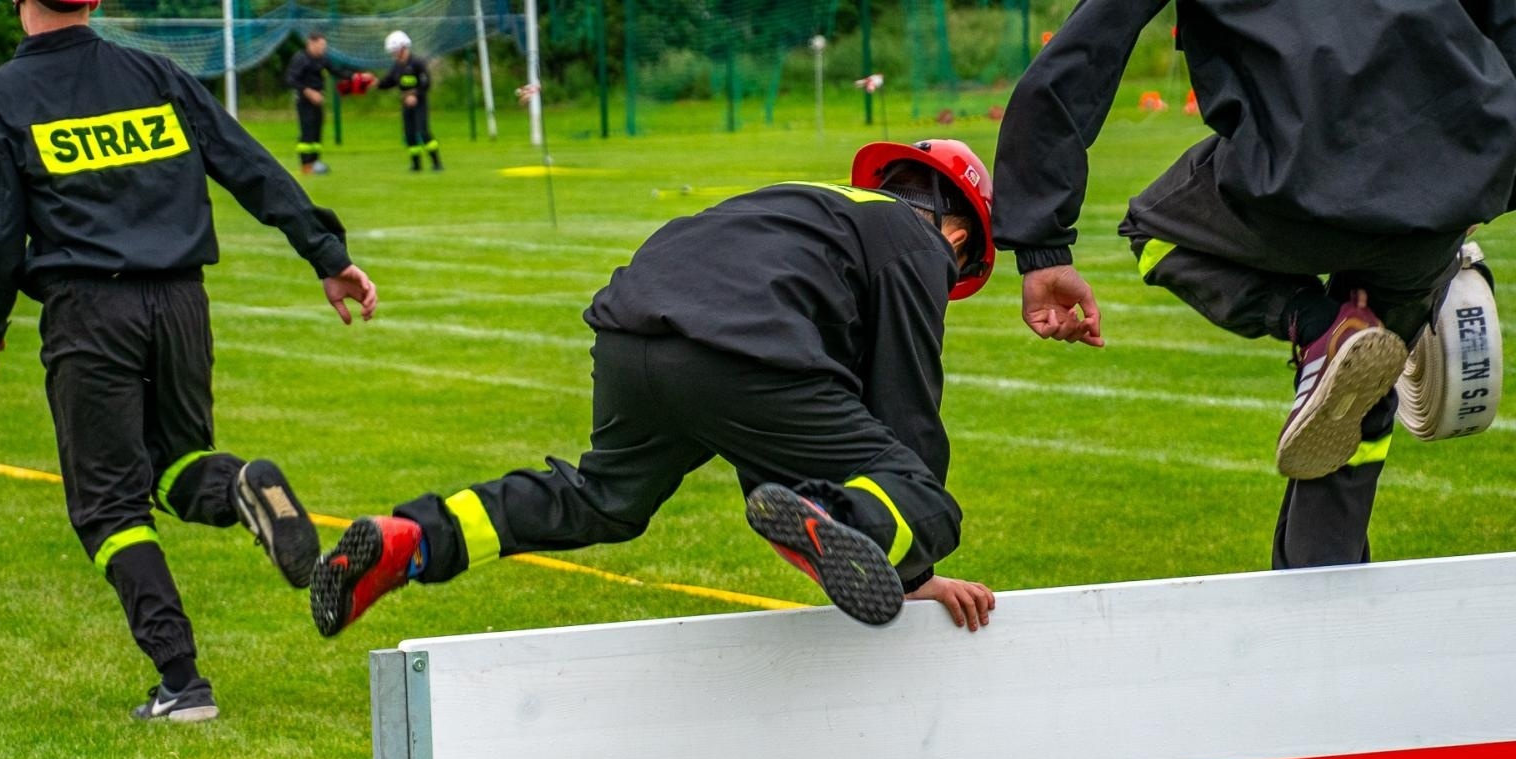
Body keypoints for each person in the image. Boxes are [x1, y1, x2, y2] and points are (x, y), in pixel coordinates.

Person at [310, 140, 999, 636]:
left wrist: (798, 494)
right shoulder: (919, 243)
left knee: (602, 500)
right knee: (921, 486)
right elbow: (906, 405)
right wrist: (911, 570)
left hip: (630, 333)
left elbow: (784, 424)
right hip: (740, 345)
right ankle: (846, 521)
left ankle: (415, 536)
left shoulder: (810, 204)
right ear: (958, 234)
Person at [0, 0, 379, 722]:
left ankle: (182, 681)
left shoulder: (0, 98)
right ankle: (241, 483)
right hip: (182, 302)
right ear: (95, 2)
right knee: (178, 466)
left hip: (91, 310)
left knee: (109, 506)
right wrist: (326, 254)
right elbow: (247, 163)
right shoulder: (156, 75)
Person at [990, 1, 1516, 568]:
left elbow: (1083, 53)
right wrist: (1493, 183)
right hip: (1444, 189)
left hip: (1295, 182)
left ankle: (1316, 325)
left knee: (1153, 232)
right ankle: (1324, 619)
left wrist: (1041, 246)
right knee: (1360, 406)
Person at [284, 31, 350, 175]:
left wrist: (355, 76)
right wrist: (309, 92)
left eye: (324, 46)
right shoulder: (300, 58)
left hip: (318, 99)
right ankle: (305, 164)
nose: (323, 49)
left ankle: (315, 162)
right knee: (307, 132)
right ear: (311, 44)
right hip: (304, 100)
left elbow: (336, 71)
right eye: (320, 45)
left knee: (317, 131)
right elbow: (291, 79)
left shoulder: (322, 59)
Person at [378, 30, 442, 172]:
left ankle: (437, 163)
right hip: (406, 104)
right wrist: (375, 83)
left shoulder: (417, 63)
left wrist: (415, 94)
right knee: (409, 134)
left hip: (420, 103)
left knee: (423, 132)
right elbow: (389, 81)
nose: (394, 54)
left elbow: (426, 82)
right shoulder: (397, 66)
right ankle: (416, 165)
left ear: (403, 48)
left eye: (395, 51)